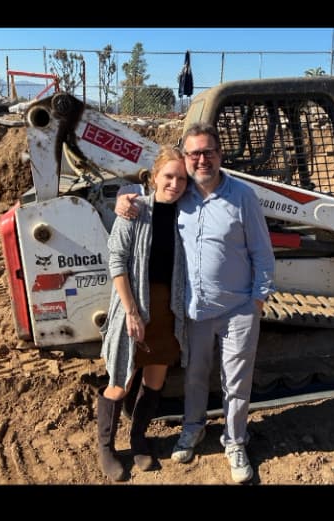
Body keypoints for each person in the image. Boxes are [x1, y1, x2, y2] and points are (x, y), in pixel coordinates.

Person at [120, 122, 276, 484]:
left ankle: (235, 442)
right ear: (186, 158)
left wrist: (258, 300)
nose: (202, 159)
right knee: (194, 375)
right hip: (195, 310)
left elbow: (262, 254)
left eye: (208, 152)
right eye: (194, 153)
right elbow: (148, 194)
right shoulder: (181, 195)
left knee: (236, 381)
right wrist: (123, 197)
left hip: (238, 308)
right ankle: (193, 428)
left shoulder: (243, 197)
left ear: (220, 155)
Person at [92, 148, 189, 482]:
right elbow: (116, 262)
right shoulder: (133, 211)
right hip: (135, 306)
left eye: (181, 178)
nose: (175, 184)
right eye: (169, 176)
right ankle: (106, 447)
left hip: (167, 310)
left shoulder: (185, 213)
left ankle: (138, 440)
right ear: (154, 178)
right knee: (120, 382)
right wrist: (132, 311)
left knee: (155, 380)